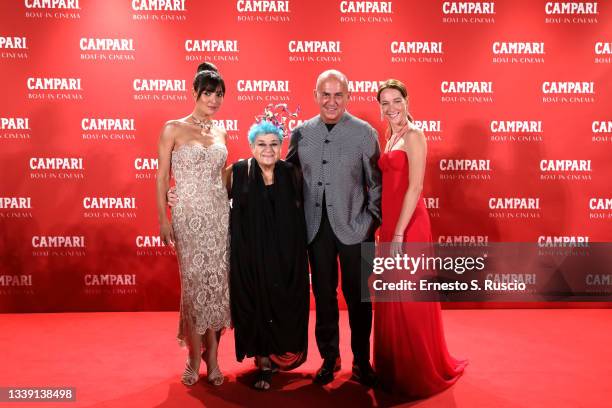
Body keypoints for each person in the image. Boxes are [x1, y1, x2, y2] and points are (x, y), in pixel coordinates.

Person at [286, 70, 381, 387]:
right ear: (315, 95)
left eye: (338, 94)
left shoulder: (365, 133)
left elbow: (376, 185)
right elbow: (289, 181)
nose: (331, 101)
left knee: (360, 298)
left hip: (356, 228)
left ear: (348, 96)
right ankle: (330, 358)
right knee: (323, 296)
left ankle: (361, 361)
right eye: (325, 94)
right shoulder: (300, 133)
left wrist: (369, 222)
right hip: (315, 230)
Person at [374, 79, 467, 398]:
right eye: (384, 103)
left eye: (396, 100)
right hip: (390, 225)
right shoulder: (389, 135)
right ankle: (393, 366)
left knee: (410, 299)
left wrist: (399, 231)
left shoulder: (414, 135)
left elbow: (414, 187)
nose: (391, 108)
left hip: (409, 226)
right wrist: (386, 227)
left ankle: (416, 371)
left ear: (407, 99)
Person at [156, 62, 231, 386]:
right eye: (208, 94)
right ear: (195, 93)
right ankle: (193, 356)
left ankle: (213, 357)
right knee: (195, 286)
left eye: (219, 95)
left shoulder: (221, 132)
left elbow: (222, 179)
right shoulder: (173, 128)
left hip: (218, 216)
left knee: (217, 288)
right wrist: (163, 216)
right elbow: (161, 176)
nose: (214, 101)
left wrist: (248, 166)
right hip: (188, 218)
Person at [228, 116, 310, 390]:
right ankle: (263, 363)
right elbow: (209, 193)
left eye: (274, 144)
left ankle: (278, 356)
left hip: (286, 255)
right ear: (251, 146)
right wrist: (173, 196)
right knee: (255, 303)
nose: (268, 149)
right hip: (251, 255)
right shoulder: (237, 171)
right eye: (261, 144)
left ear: (281, 146)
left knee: (284, 303)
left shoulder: (292, 172)